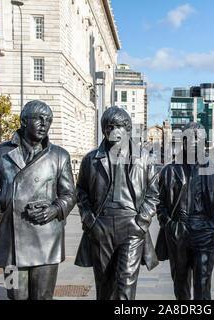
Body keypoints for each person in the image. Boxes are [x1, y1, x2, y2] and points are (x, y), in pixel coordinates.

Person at [0, 100, 76, 300]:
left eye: (48, 120)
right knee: (15, 296)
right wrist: (8, 200)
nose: (44, 124)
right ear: (23, 121)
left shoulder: (59, 156)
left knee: (43, 296)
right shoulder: (1, 153)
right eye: (39, 119)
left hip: (47, 241)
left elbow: (70, 194)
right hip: (11, 246)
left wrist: (55, 209)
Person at [74, 106, 159, 300]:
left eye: (120, 126)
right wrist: (90, 221)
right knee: (104, 285)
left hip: (131, 225)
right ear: (104, 130)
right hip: (101, 225)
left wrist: (142, 222)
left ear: (128, 129)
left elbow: (153, 194)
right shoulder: (91, 159)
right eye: (110, 126)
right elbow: (81, 192)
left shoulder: (143, 158)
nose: (115, 131)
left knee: (126, 285)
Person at [155, 122, 214, 300]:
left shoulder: (213, 172)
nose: (195, 141)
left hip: (204, 231)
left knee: (203, 287)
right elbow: (159, 204)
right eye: (190, 138)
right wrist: (170, 225)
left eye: (199, 138)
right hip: (179, 232)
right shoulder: (169, 171)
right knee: (181, 287)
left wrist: (213, 227)